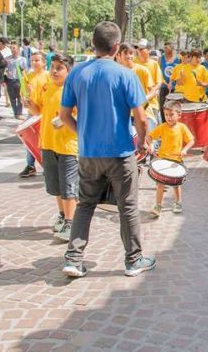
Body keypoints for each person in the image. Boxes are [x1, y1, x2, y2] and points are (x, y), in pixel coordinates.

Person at [59, 21, 156, 278]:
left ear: (94, 44)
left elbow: (64, 115)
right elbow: (141, 118)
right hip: (120, 151)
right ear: (116, 47)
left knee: (85, 204)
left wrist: (82, 132)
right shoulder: (126, 75)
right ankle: (133, 260)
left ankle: (73, 259)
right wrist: (143, 142)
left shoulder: (77, 73)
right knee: (127, 206)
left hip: (88, 153)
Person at [25, 53, 78, 242]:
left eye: (59, 68)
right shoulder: (46, 86)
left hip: (69, 144)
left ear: (69, 71)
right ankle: (63, 215)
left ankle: (71, 222)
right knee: (55, 186)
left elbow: (81, 116)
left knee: (69, 186)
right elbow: (38, 110)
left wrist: (64, 121)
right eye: (53, 66)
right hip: (47, 142)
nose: (54, 71)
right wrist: (30, 104)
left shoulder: (74, 90)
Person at [147, 101, 194, 217]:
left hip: (176, 161)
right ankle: (158, 206)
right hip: (163, 160)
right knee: (160, 185)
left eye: (171, 115)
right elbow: (149, 137)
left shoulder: (182, 128)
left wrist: (185, 150)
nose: (168, 117)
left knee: (176, 185)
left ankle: (178, 202)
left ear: (179, 115)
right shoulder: (162, 127)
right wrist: (151, 145)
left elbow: (191, 141)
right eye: (166, 115)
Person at [19, 52, 50, 178]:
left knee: (44, 141)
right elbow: (23, 93)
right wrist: (25, 98)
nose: (34, 63)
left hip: (45, 113)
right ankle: (30, 165)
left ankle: (47, 165)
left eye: (37, 60)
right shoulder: (28, 76)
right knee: (30, 140)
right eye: (32, 60)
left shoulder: (48, 76)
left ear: (44, 62)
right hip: (32, 113)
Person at [136, 38, 163, 114]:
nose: (139, 50)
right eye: (138, 48)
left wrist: (151, 94)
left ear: (149, 50)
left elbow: (159, 82)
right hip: (136, 103)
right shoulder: (133, 62)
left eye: (142, 49)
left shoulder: (154, 64)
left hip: (151, 104)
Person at [4, 44, 27, 120]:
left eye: (14, 48)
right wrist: (6, 73)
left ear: (18, 50)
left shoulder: (23, 59)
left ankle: (19, 113)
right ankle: (15, 113)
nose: (12, 50)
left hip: (19, 80)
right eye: (11, 48)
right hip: (10, 80)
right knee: (12, 98)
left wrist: (25, 80)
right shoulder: (7, 59)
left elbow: (25, 70)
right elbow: (4, 69)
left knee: (20, 97)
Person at [158, 42, 179, 122]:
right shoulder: (161, 59)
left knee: (174, 109)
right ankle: (164, 124)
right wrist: (165, 83)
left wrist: (173, 81)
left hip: (175, 88)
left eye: (167, 48)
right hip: (164, 87)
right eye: (165, 48)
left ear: (172, 48)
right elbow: (158, 72)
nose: (165, 50)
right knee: (163, 108)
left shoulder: (178, 60)